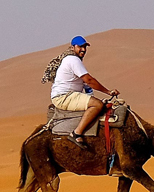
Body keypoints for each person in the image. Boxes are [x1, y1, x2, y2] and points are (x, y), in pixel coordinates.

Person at [49, 36, 123, 173]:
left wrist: (98, 99)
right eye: (80, 47)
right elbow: (89, 80)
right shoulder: (73, 60)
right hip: (64, 96)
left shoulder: (75, 61)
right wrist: (108, 92)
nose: (83, 50)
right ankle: (76, 133)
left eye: (85, 47)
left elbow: (87, 88)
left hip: (69, 95)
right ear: (73, 48)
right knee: (97, 106)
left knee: (98, 104)